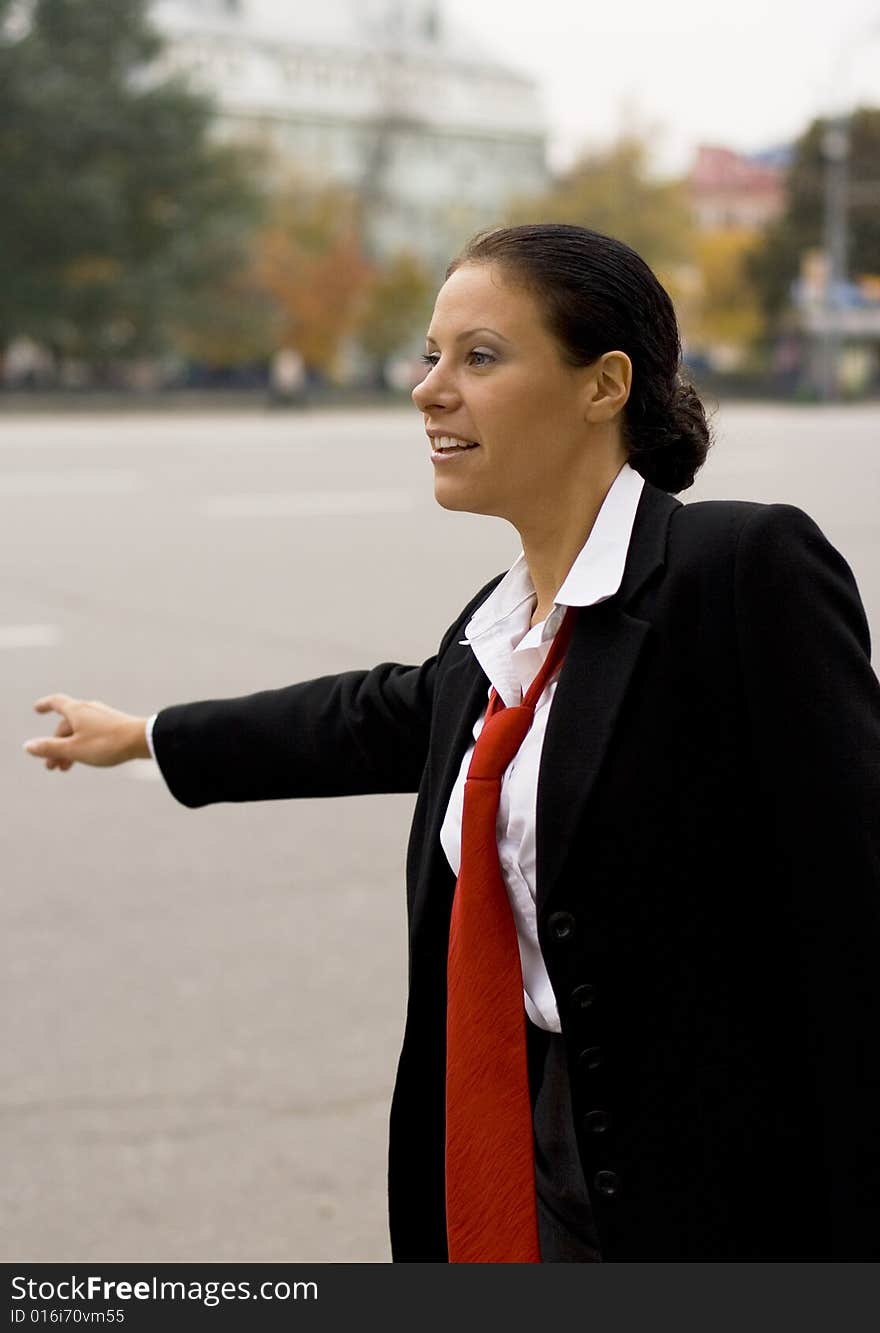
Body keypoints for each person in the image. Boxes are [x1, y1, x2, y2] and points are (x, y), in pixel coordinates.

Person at [23, 224, 880, 1262]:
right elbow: (372, 717)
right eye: (431, 355)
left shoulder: (739, 571)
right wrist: (146, 736)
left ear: (602, 385)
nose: (428, 389)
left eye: (478, 357)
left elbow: (854, 903)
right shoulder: (499, 630)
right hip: (530, 1160)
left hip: (723, 1198)